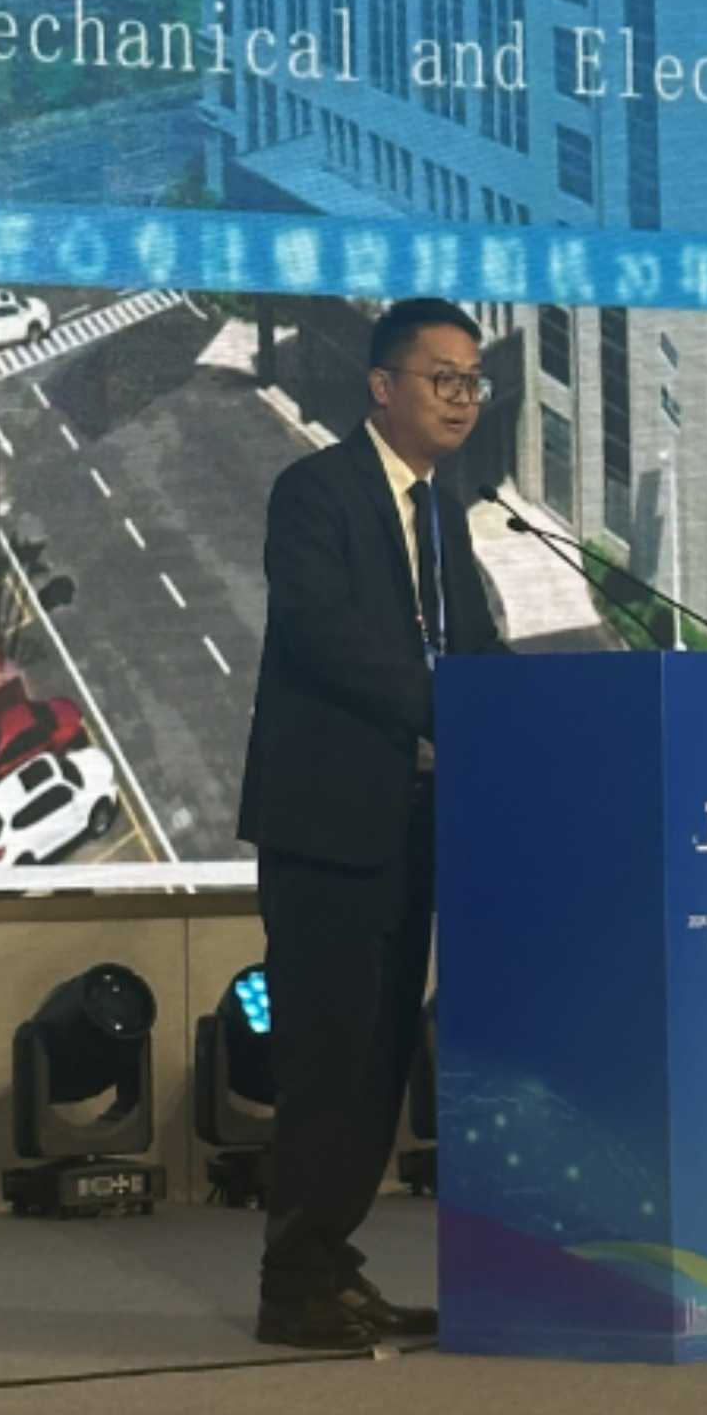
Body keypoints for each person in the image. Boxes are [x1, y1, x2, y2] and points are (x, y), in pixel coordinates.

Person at [236, 299, 506, 1352]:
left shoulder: (446, 513)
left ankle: (328, 1266)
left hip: (416, 827)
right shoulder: (315, 492)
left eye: (473, 381)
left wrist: (546, 716)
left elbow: (473, 648)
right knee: (330, 1056)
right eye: (443, 378)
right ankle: (292, 1285)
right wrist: (452, 709)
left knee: (383, 1056)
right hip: (328, 827)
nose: (462, 399)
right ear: (382, 386)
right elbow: (325, 638)